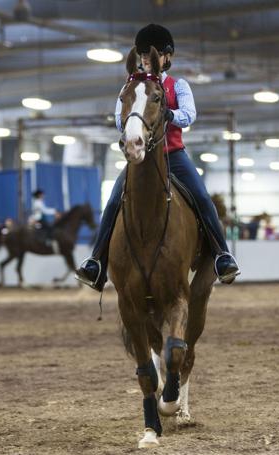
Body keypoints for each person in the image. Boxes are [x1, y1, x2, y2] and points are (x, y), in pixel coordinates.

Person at [75, 24, 240, 291]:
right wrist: (132, 122)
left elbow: (189, 114)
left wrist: (170, 115)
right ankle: (96, 262)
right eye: (142, 55)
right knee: (114, 200)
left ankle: (222, 254)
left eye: (151, 55)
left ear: (166, 57)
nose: (145, 59)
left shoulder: (179, 86)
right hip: (141, 157)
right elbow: (120, 118)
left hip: (173, 154)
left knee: (201, 197)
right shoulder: (132, 86)